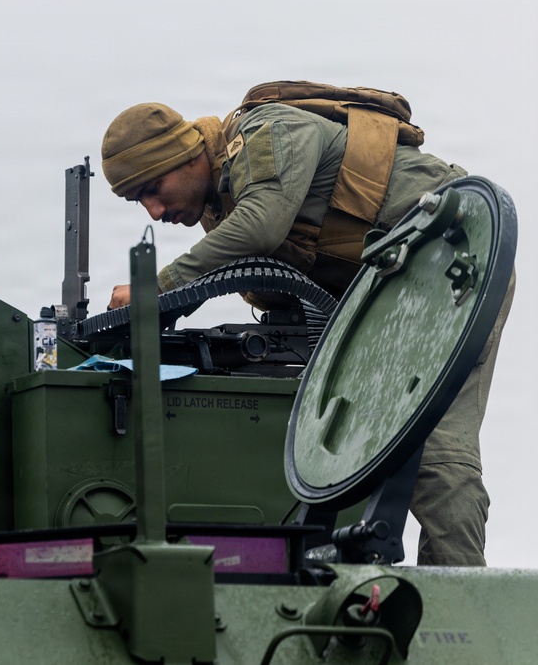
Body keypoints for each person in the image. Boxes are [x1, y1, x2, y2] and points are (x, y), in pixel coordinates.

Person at [100, 98, 515, 566]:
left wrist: (157, 287)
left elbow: (260, 226)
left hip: (453, 266)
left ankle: (460, 597)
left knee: (436, 453)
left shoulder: (269, 132)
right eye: (138, 200)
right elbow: (246, 275)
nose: (154, 211)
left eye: (153, 188)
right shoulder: (225, 206)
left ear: (187, 153)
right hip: (388, 295)